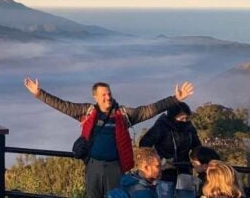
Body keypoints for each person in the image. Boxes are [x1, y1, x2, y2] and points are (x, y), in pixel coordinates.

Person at [23, 78, 194, 198]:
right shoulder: (87, 112)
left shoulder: (124, 115)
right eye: (104, 94)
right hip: (93, 166)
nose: (108, 97)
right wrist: (39, 94)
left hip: (114, 166)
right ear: (95, 97)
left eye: (109, 93)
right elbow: (62, 105)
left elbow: (149, 110)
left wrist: (175, 99)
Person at [140, 102, 202, 198]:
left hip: (185, 171)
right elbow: (144, 144)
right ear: (172, 117)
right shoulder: (161, 127)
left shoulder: (189, 128)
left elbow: (197, 146)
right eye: (181, 119)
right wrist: (160, 161)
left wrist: (197, 160)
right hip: (164, 173)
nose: (184, 121)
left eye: (186, 118)